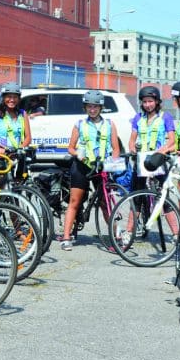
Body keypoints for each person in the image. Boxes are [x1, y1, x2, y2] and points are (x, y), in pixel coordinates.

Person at [58, 90, 121, 250]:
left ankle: (116, 237)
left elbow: (115, 148)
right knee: (75, 201)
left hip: (101, 167)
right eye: (89, 107)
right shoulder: (79, 124)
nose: (92, 110)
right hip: (82, 166)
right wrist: (78, 154)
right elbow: (70, 148)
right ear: (85, 107)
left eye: (95, 107)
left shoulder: (109, 124)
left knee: (105, 203)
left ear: (101, 108)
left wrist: (113, 162)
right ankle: (66, 237)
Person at [128, 85, 175, 191]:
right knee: (137, 197)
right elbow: (132, 140)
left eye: (150, 101)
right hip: (141, 160)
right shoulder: (138, 118)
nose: (147, 105)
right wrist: (132, 149)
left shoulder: (165, 117)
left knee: (162, 198)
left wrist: (162, 151)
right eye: (144, 102)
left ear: (157, 101)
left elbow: (172, 140)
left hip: (157, 160)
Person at [0, 82, 31, 149]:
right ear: (3, 98)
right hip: (0, 155)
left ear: (19, 99)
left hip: (16, 155)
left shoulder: (23, 114)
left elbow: (28, 137)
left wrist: (19, 150)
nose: (12, 100)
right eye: (9, 97)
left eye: (15, 97)